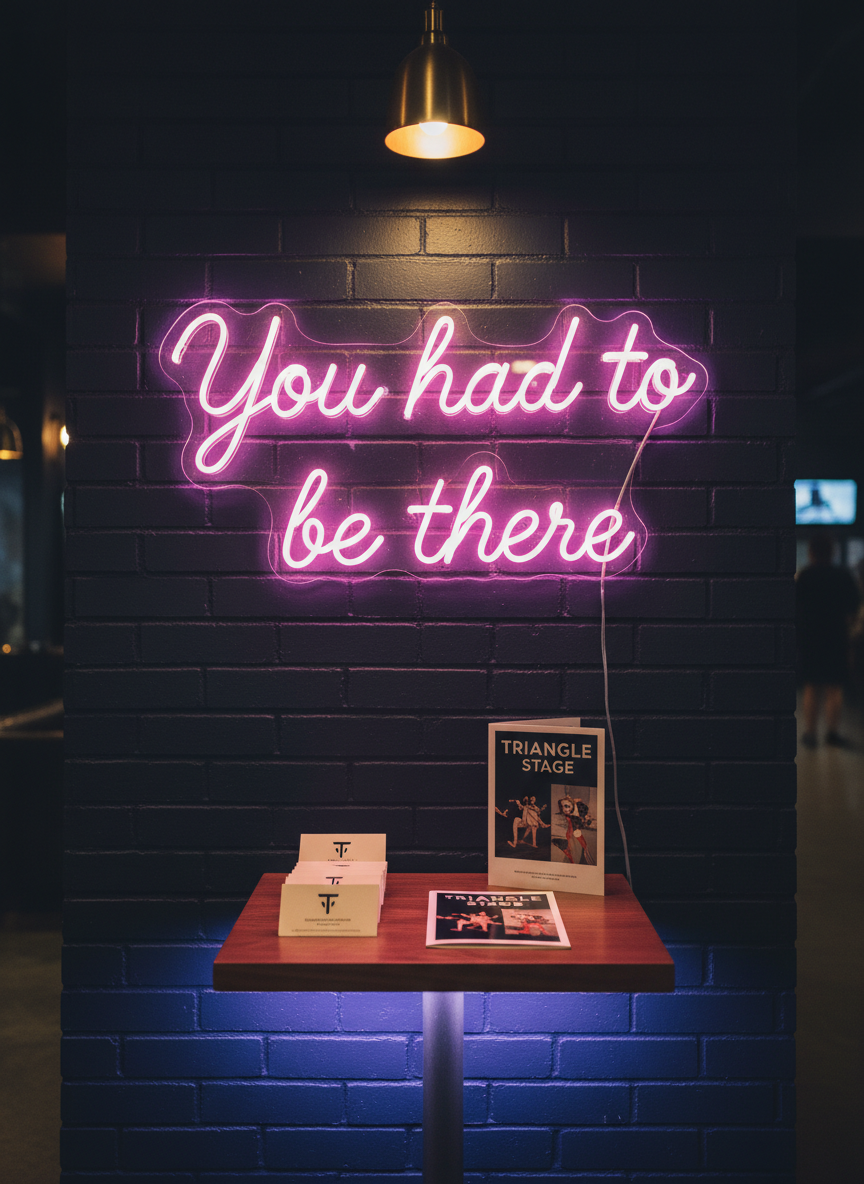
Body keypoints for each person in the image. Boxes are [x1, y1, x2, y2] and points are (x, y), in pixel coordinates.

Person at [796, 533, 861, 747]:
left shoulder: (804, 576)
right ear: (832, 552)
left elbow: (794, 609)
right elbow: (853, 608)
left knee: (811, 686)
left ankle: (810, 734)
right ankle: (832, 734)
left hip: (809, 638)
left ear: (811, 552)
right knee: (834, 687)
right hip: (836, 637)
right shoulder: (842, 576)